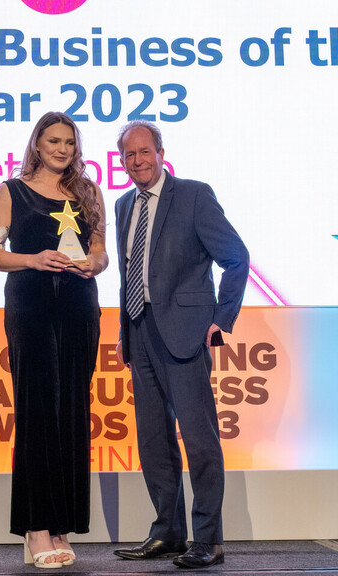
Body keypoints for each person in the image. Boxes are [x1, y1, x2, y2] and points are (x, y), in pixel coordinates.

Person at [111, 120, 248, 569]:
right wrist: (124, 331)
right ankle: (167, 532)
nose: (137, 161)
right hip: (140, 332)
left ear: (161, 153)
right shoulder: (123, 204)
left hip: (186, 332)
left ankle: (208, 539)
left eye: (144, 152)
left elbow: (236, 258)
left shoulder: (193, 195)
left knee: (199, 439)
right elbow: (130, 274)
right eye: (129, 155)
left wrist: (221, 319)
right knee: (153, 441)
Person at [0, 111, 109, 569]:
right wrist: (33, 260)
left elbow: (100, 252)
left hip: (79, 307)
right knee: (37, 411)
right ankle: (36, 527)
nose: (62, 149)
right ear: (37, 143)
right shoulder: (10, 191)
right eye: (53, 140)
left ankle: (61, 525)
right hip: (31, 307)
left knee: (72, 411)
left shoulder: (90, 192)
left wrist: (94, 265)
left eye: (69, 142)